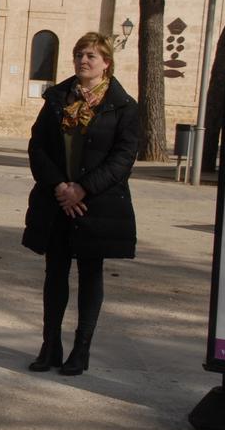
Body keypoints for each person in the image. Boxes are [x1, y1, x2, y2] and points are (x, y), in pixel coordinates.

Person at [22, 31, 138, 376]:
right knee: (54, 273)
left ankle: (81, 349)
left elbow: (123, 158)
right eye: (78, 54)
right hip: (57, 199)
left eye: (91, 55)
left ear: (106, 63)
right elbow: (38, 146)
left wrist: (82, 189)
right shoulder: (57, 98)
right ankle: (50, 346)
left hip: (96, 204)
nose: (83, 61)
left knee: (90, 274)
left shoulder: (123, 106)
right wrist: (59, 186)